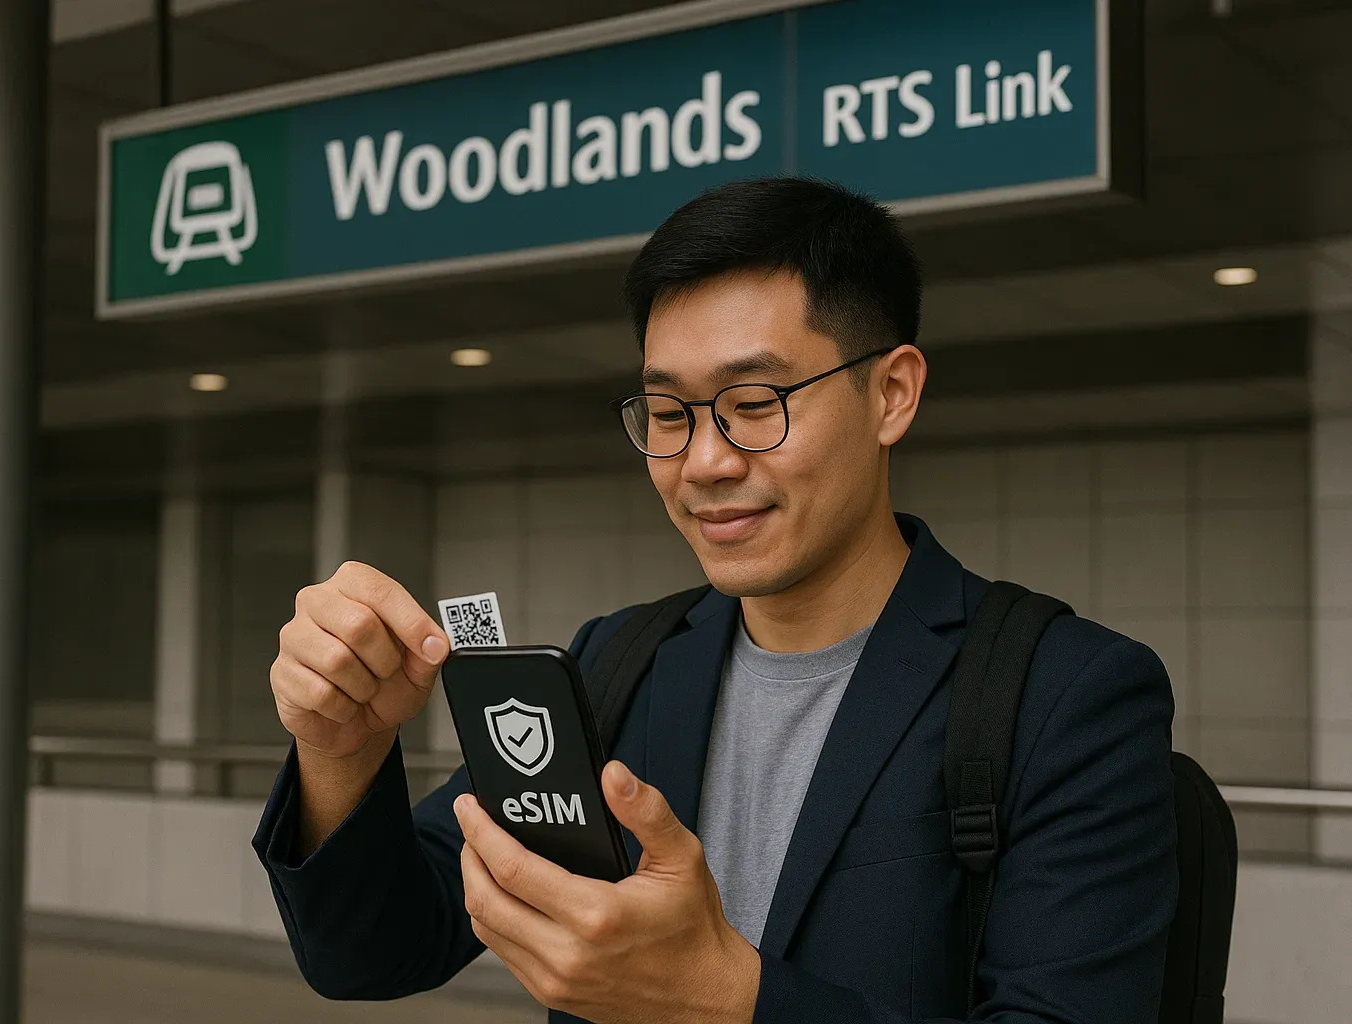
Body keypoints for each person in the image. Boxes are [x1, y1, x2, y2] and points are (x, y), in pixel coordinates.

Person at [253, 177, 1178, 1024]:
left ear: (891, 394)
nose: (704, 461)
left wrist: (725, 998)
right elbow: (373, 949)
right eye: (668, 414)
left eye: (755, 401)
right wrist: (341, 748)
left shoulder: (1064, 697)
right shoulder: (620, 664)